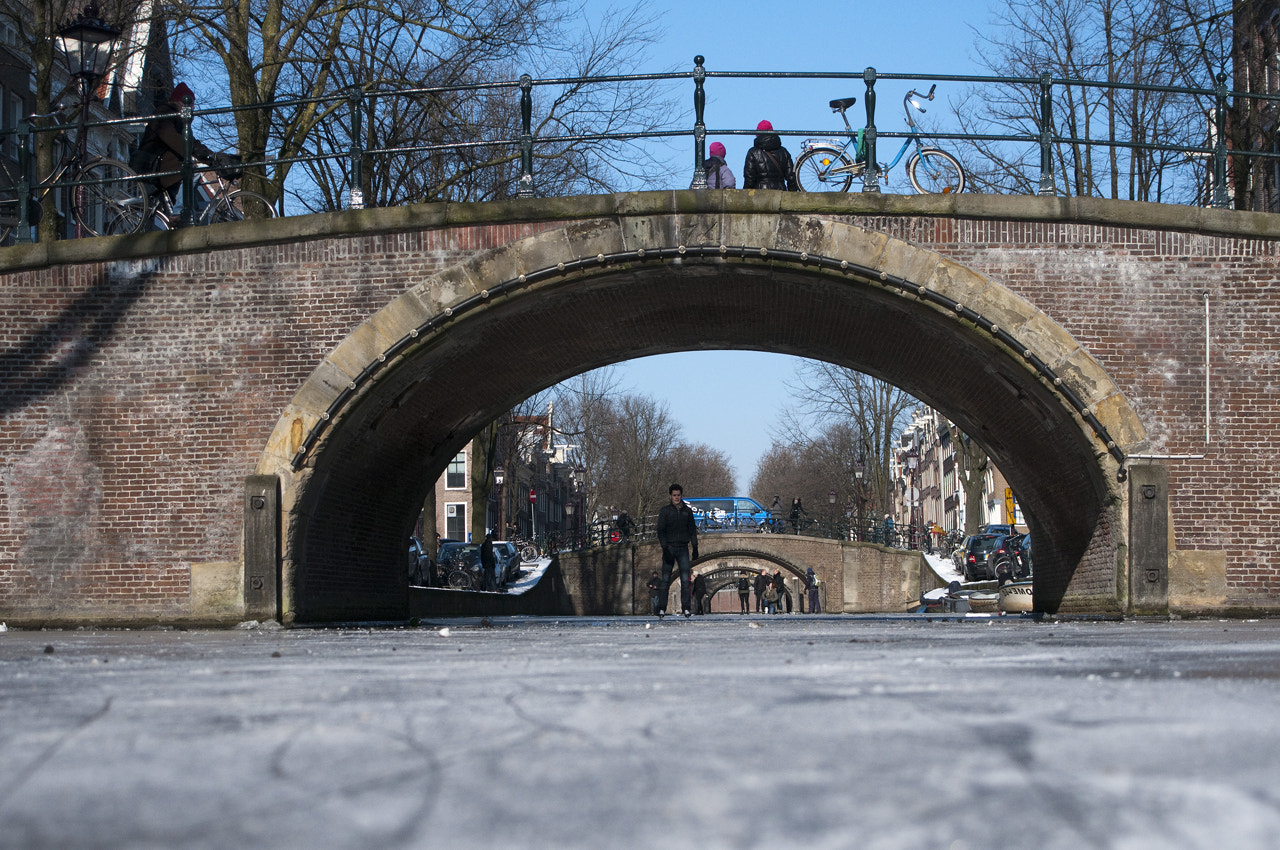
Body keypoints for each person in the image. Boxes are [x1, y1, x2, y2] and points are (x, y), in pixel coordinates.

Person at [132, 83, 221, 210]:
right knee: (190, 172)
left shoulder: (178, 119)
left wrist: (212, 156)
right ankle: (179, 212)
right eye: (190, 103)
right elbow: (175, 140)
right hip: (153, 164)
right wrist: (196, 156)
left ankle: (183, 213)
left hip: (163, 163)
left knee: (192, 203)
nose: (193, 107)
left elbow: (190, 142)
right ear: (180, 102)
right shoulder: (164, 114)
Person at [656, 483, 699, 618]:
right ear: (670, 496)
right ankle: (661, 608)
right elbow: (660, 530)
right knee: (666, 579)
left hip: (683, 548)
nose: (676, 497)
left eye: (678, 495)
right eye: (674, 495)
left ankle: (686, 608)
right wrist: (664, 546)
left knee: (686, 579)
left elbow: (692, 530)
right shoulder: (665, 511)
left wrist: (695, 547)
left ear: (681, 495)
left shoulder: (687, 511)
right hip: (669, 547)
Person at [742, 120, 797, 191]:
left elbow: (749, 178)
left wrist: (746, 195)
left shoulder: (753, 152)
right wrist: (791, 195)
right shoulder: (783, 151)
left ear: (757, 133)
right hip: (780, 191)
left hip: (760, 193)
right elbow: (791, 177)